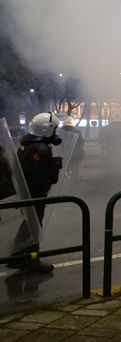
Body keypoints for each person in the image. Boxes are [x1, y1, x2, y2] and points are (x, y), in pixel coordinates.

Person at [9, 112, 64, 274]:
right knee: (34, 227)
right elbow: (40, 176)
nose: (56, 133)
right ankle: (32, 261)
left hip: (26, 193)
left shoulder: (27, 144)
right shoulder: (42, 149)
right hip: (35, 194)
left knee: (29, 225)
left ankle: (17, 256)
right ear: (47, 129)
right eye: (55, 129)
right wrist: (53, 167)